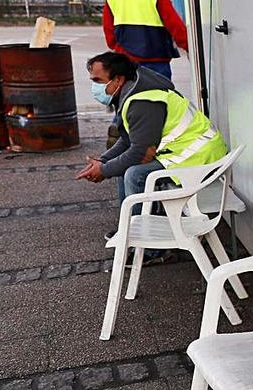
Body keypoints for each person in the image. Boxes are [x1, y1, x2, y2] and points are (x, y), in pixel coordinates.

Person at [75, 52, 226, 247]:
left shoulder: (142, 101)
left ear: (119, 79)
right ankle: (130, 228)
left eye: (98, 80)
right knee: (124, 167)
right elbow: (129, 139)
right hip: (188, 153)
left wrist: (103, 170)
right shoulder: (134, 92)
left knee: (134, 174)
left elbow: (140, 151)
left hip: (200, 157)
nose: (94, 87)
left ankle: (148, 247)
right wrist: (104, 161)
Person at [102, 0, 188, 81]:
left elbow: (108, 28)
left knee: (131, 97)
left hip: (126, 60)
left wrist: (116, 47)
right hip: (157, 59)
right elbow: (174, 24)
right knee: (159, 96)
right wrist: (187, 45)